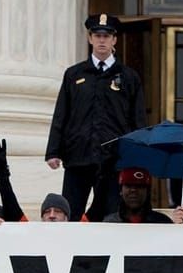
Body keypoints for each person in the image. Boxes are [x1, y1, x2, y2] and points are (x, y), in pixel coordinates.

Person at [47, 15, 144, 220]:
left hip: (113, 160)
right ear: (90, 38)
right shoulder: (74, 74)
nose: (102, 40)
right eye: (97, 35)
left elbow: (138, 120)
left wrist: (136, 156)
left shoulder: (128, 77)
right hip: (78, 157)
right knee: (71, 213)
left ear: (114, 40)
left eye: (107, 36)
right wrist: (53, 150)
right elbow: (61, 113)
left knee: (111, 216)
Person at [100, 167, 176, 224]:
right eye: (128, 185)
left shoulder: (163, 223)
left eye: (139, 186)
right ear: (121, 191)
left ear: (148, 191)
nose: (133, 190)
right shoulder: (109, 223)